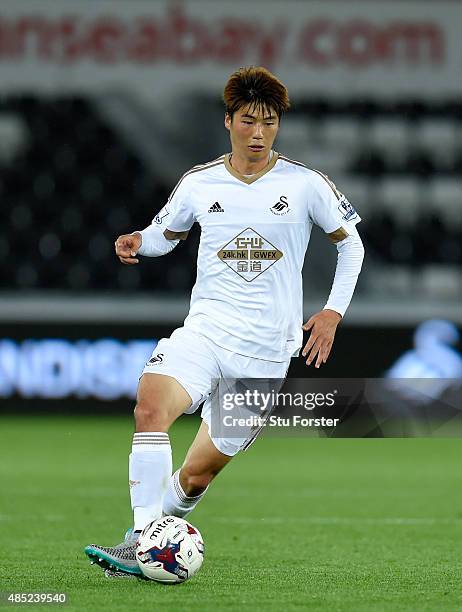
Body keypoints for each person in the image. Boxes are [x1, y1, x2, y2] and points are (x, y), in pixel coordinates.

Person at [84, 66, 364, 578]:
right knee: (150, 408)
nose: (259, 133)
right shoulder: (199, 182)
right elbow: (165, 233)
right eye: (249, 121)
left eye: (270, 122)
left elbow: (352, 245)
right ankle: (143, 543)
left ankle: (140, 541)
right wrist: (137, 243)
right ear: (228, 121)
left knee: (194, 477)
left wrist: (331, 312)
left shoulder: (306, 185)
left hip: (264, 354)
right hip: (205, 332)